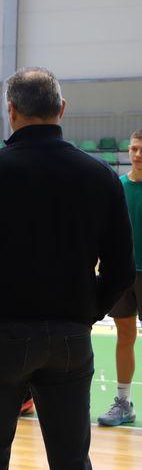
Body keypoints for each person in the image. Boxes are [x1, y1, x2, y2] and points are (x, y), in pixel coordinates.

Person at [0, 67, 135, 470]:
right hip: (69, 334)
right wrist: (87, 313)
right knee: (71, 461)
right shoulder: (100, 175)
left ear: (11, 111)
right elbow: (121, 268)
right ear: (62, 109)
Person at [98, 129, 142, 426]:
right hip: (123, 272)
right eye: (134, 148)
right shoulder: (118, 186)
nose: (137, 154)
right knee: (124, 336)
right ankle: (124, 403)